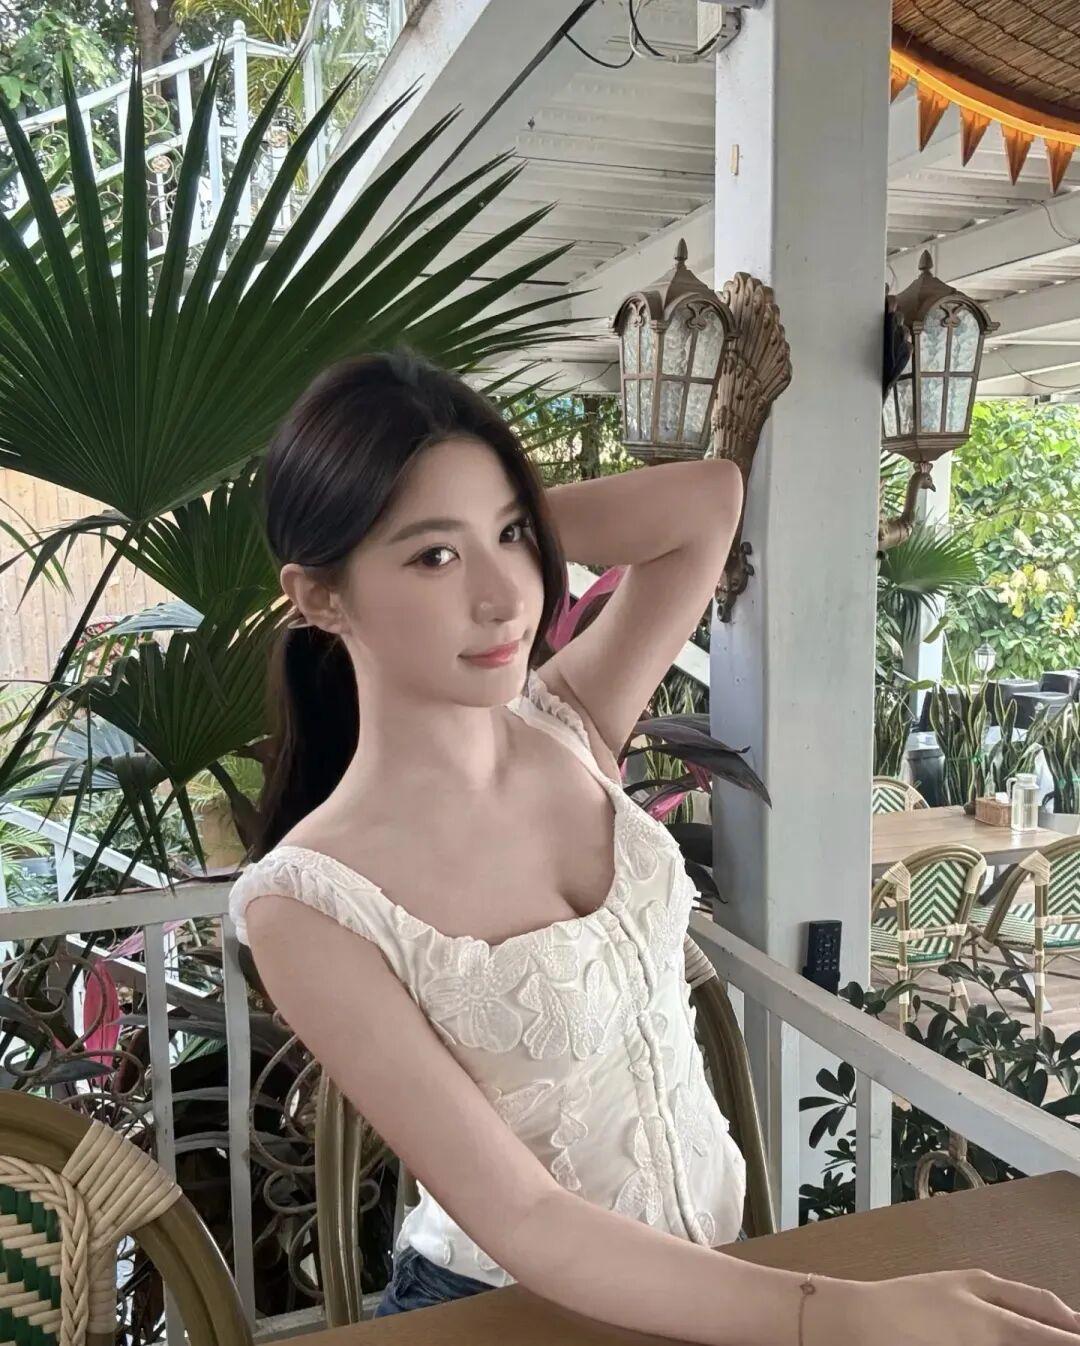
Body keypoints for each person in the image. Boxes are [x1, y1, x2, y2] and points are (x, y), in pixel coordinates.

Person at [230, 350, 1080, 1346]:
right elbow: (527, 1217)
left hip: (712, 1280)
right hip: (509, 1312)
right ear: (320, 596)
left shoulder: (567, 725)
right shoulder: (308, 902)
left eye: (513, 537)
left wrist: (477, 513)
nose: (508, 597)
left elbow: (709, 500)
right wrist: (854, 1313)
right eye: (432, 560)